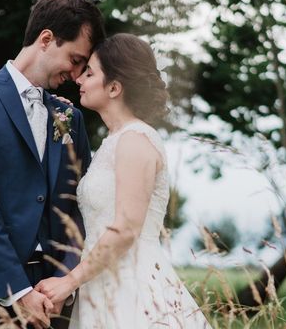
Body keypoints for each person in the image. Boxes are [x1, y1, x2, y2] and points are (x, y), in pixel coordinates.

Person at [0, 0, 105, 328]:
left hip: (55, 299)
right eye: (75, 60)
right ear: (46, 39)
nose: (76, 75)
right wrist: (19, 291)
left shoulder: (68, 117)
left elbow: (80, 206)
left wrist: (64, 282)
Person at [35, 33, 213, 328]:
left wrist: (69, 282)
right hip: (103, 284)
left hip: (134, 289)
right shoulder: (114, 141)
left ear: (115, 87)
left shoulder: (135, 140)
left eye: (90, 73)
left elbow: (126, 230)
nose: (79, 79)